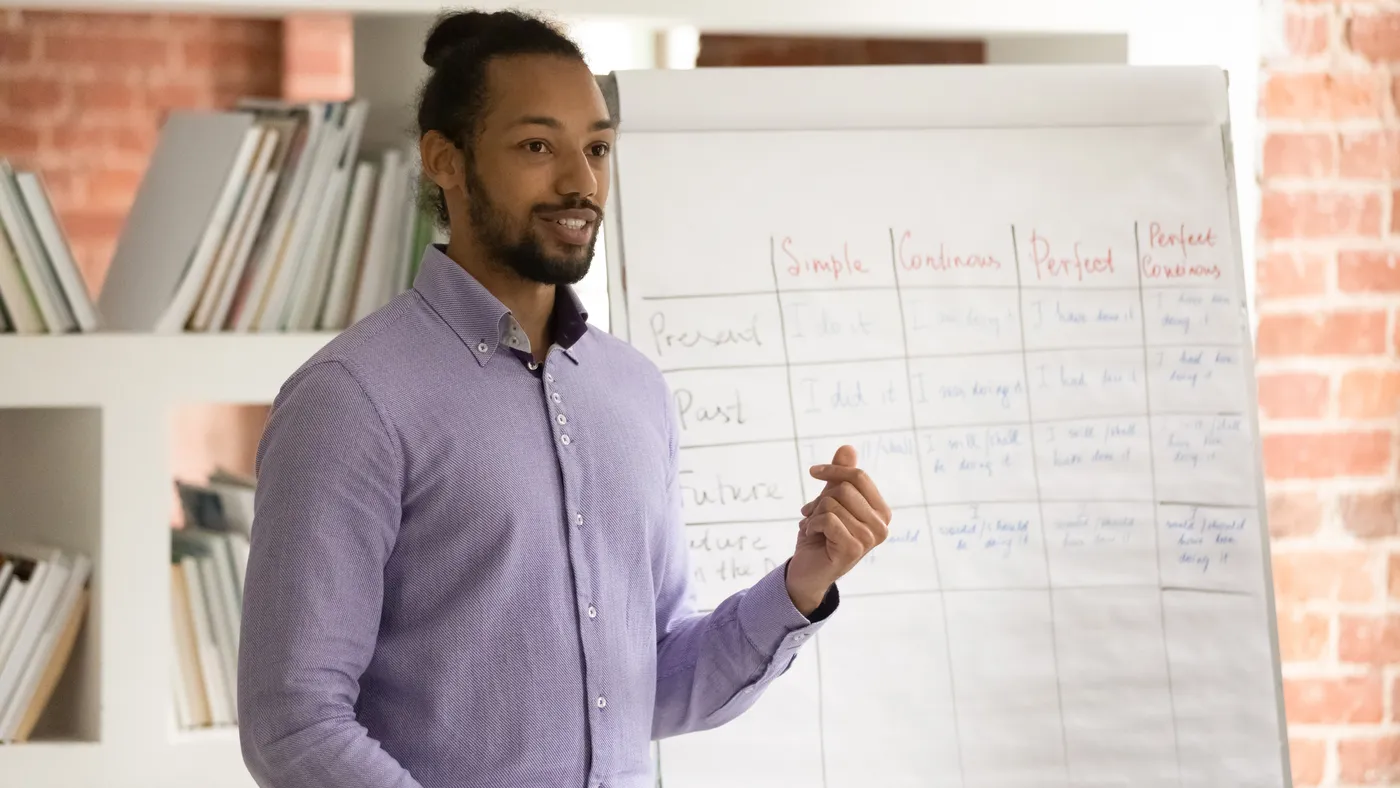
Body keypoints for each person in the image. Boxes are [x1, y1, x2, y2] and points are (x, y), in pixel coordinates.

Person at [236, 9, 891, 788]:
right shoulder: (350, 401)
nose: (580, 181)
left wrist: (802, 584)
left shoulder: (634, 392)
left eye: (598, 148)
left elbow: (655, 682)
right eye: (538, 146)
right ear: (445, 160)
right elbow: (295, 724)